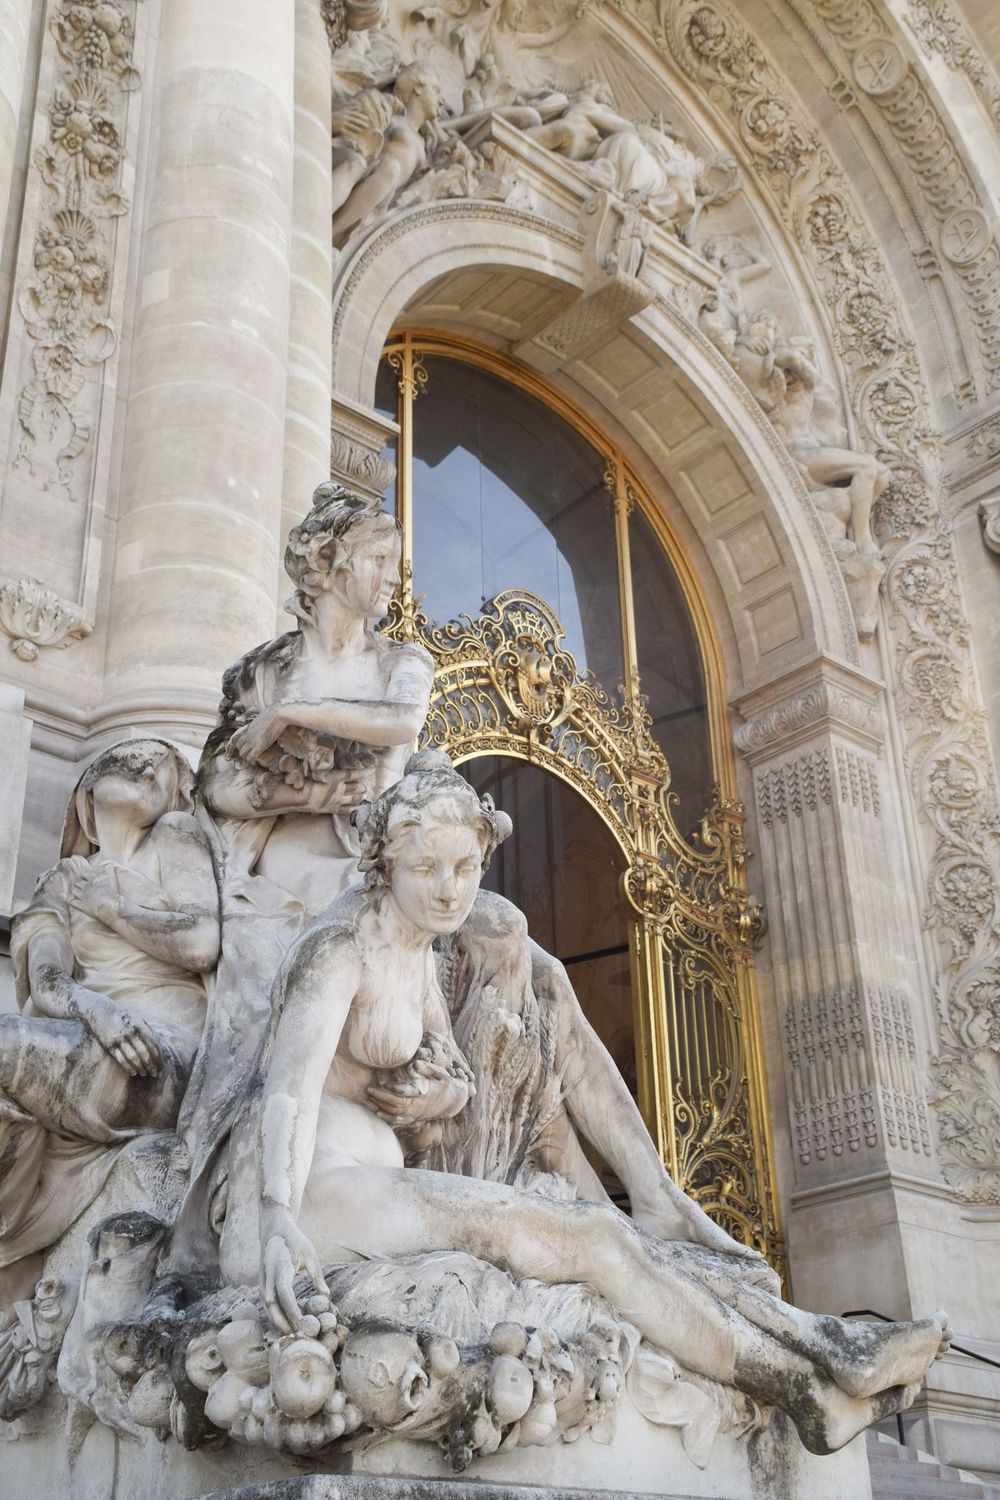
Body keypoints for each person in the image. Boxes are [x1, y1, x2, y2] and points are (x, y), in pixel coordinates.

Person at [250, 761, 949, 1457]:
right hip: (319, 1196)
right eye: (427, 868)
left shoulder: (417, 945)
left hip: (378, 1184)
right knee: (594, 1238)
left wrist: (445, 1093)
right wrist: (277, 1218)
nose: (448, 889)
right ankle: (808, 1375)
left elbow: (449, 1082)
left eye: (465, 867)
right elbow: (286, 1091)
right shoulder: (341, 949)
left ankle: (821, 1352)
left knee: (608, 1234)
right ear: (386, 863)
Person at [2, 739, 218, 1301]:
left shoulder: (175, 838)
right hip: (94, 1034)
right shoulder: (62, 879)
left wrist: (110, 907)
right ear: (85, 794)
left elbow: (200, 941)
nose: (144, 765)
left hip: (166, 1055)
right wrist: (98, 1011)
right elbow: (47, 981)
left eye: (159, 763)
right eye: (125, 758)